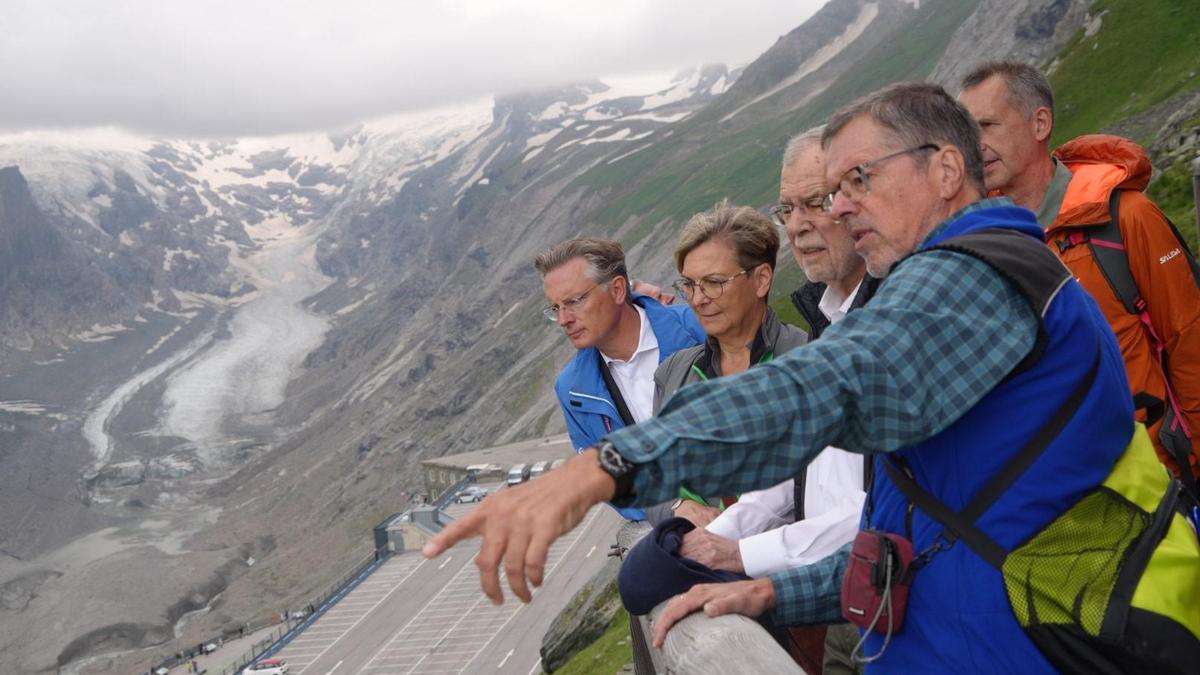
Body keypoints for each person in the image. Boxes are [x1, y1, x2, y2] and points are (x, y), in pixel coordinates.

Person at [425, 82, 1144, 672]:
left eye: (859, 179)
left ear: (947, 170)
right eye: (829, 190)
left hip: (1037, 650)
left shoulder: (976, 277)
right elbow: (921, 542)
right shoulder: (953, 281)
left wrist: (604, 468)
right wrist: (775, 591)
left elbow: (824, 386)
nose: (836, 208)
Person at [958, 61, 1200, 490]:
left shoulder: (1126, 219)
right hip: (1059, 499)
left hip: (1159, 483)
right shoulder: (983, 244)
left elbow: (1189, 341)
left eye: (988, 125)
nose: (975, 145)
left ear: (1040, 123)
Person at [535, 238, 706, 520]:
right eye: (555, 308)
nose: (564, 319)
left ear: (617, 290)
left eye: (574, 301)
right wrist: (672, 509)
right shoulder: (572, 389)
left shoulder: (698, 327)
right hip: (672, 528)